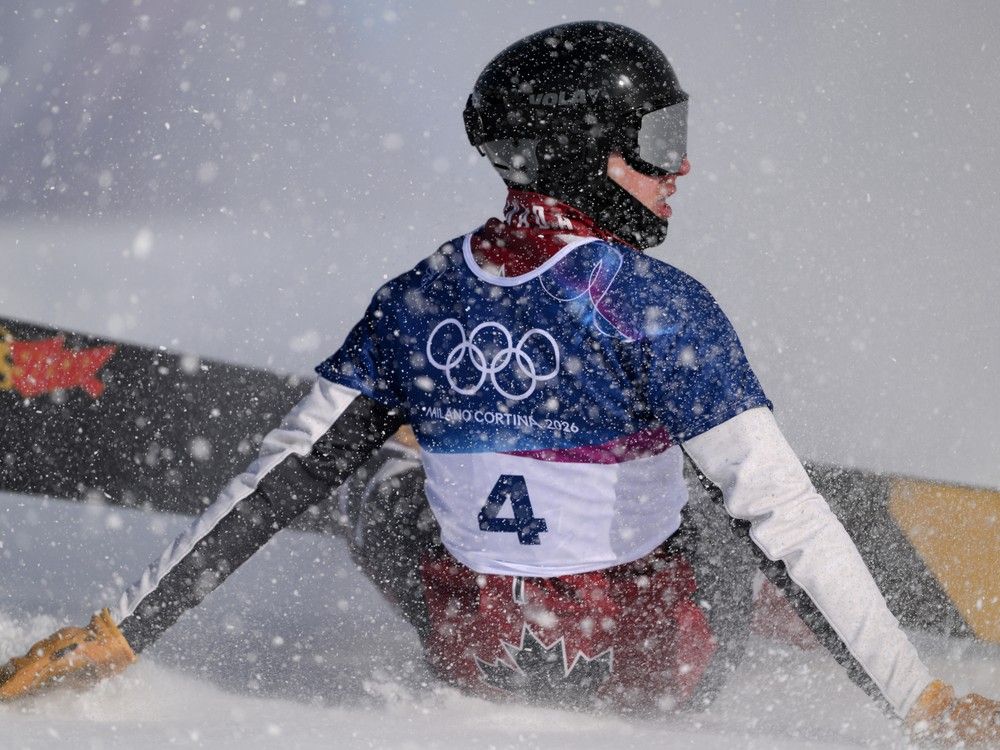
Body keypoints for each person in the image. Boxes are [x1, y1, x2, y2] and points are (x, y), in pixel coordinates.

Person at [1, 20, 997, 744]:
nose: (678, 170)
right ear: (580, 154)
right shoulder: (652, 304)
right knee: (717, 506)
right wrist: (921, 701)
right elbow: (786, 516)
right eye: (657, 142)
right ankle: (752, 589)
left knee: (346, 476)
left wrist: (118, 633)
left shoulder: (414, 298)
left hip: (472, 655)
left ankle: (416, 449)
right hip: (658, 674)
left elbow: (279, 477)